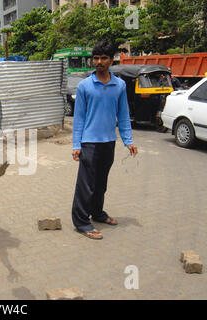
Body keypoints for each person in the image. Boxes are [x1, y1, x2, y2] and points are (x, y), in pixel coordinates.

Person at [71, 41, 138, 240]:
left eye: (103, 58)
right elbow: (79, 118)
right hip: (89, 143)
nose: (99, 62)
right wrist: (76, 145)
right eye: (96, 58)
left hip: (108, 142)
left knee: (101, 183)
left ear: (111, 60)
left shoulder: (120, 85)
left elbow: (123, 114)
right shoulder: (84, 86)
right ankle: (81, 222)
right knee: (86, 184)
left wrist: (128, 140)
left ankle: (98, 213)